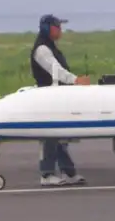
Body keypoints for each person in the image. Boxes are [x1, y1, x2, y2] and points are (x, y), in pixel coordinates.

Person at [30, 13, 89, 186]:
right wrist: (76, 80)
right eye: (57, 27)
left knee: (60, 135)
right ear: (48, 28)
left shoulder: (51, 47)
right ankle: (47, 174)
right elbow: (55, 70)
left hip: (57, 96)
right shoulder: (42, 50)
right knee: (50, 135)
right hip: (47, 97)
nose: (61, 30)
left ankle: (68, 172)